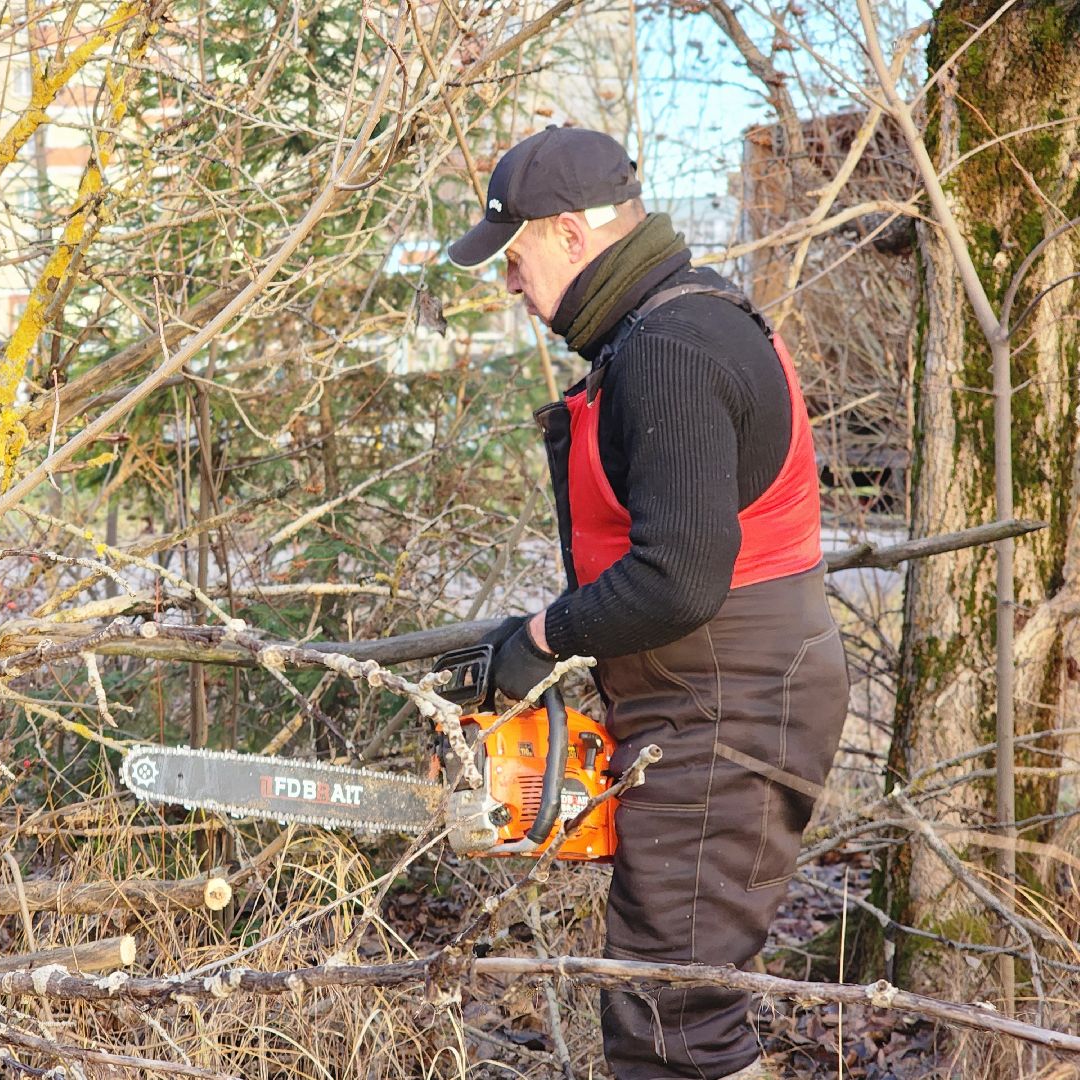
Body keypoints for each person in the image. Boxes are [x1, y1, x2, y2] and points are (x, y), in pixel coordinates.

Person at [449, 126, 848, 1080]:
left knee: (675, 1022)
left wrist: (544, 636)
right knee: (665, 1008)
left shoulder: (672, 347)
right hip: (703, 696)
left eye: (515, 255)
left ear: (571, 235)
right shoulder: (663, 328)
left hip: (731, 707)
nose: (509, 281)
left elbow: (680, 578)